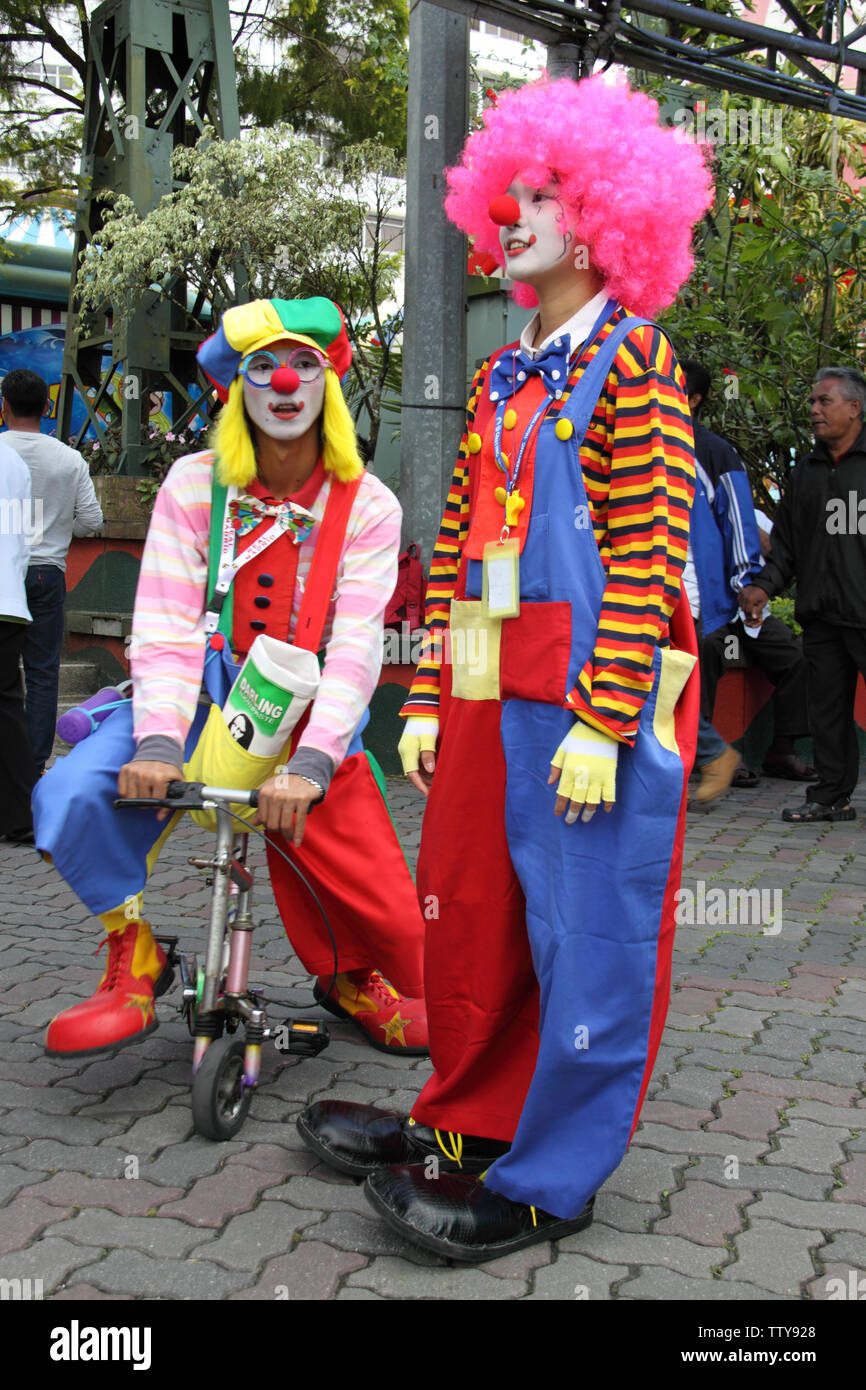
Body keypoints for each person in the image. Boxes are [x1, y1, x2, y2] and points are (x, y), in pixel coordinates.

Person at [297, 75, 713, 1262]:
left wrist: (602, 715)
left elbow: (644, 550)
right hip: (492, 692)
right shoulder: (500, 374)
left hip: (589, 705)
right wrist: (434, 690)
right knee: (475, 918)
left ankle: (554, 1176)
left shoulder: (636, 360)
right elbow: (479, 550)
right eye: (508, 193)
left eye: (542, 193)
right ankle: (473, 1121)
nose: (513, 214)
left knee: (588, 935)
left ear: (601, 215)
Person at [32, 297, 428, 1058]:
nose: (284, 380)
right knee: (75, 792)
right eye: (261, 366)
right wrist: (154, 742)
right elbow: (166, 623)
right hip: (194, 696)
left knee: (402, 931)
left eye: (304, 363)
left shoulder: (368, 504)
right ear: (237, 387)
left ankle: (351, 977)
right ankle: (135, 954)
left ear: (328, 384)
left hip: (305, 713)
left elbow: (354, 645)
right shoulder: (194, 483)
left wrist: (312, 764)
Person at [680, 360, 815, 803]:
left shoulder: (714, 452)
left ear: (694, 400)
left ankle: (774, 750)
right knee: (697, 663)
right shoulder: (641, 442)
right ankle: (708, 757)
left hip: (722, 599)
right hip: (669, 597)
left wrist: (747, 586)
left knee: (790, 658)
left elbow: (739, 523)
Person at [740, 366, 866, 822]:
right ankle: (831, 797)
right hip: (822, 617)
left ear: (854, 408)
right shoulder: (808, 470)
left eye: (824, 402)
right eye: (812, 402)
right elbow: (788, 543)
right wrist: (763, 586)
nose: (813, 410)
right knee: (828, 712)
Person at [0, 368, 104, 774]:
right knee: (42, 674)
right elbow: (92, 520)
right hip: (47, 571)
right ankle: (34, 763)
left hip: (4, 575)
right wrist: (59, 528)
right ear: (47, 407)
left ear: (3, 406)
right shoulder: (70, 459)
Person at [0, 438, 38, 843]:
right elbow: (25, 534)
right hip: (9, 595)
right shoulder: (11, 460)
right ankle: (21, 813)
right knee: (8, 710)